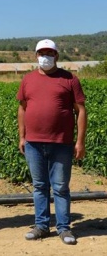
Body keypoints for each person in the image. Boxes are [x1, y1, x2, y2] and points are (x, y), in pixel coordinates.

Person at [17, 39, 87, 245]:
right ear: (36, 56)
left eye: (49, 53)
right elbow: (22, 108)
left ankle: (64, 228)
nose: (45, 56)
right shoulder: (28, 79)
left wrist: (80, 141)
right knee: (39, 186)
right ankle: (41, 226)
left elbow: (80, 111)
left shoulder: (69, 79)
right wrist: (22, 136)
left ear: (56, 55)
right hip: (33, 143)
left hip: (61, 143)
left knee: (60, 187)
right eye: (41, 53)